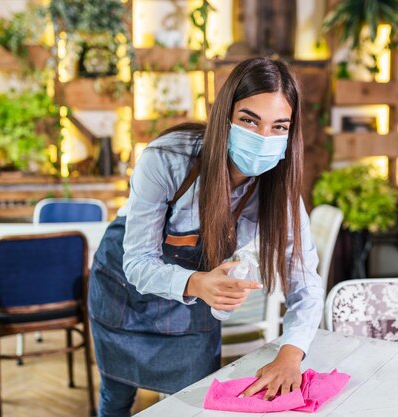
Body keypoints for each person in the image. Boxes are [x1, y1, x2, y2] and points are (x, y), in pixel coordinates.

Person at [88, 56, 324, 417]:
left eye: (279, 126)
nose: (263, 138)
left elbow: (305, 282)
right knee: (116, 399)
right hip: (124, 296)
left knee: (195, 404)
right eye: (249, 120)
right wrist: (197, 283)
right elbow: (136, 262)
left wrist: (291, 353)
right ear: (224, 116)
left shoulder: (281, 192)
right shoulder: (168, 159)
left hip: (192, 309)